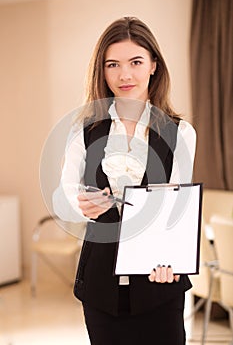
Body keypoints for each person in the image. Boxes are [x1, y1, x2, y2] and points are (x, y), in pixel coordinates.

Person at [53, 17, 196, 345]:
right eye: (113, 64)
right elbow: (64, 196)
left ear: (153, 66)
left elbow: (176, 204)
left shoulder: (181, 133)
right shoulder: (83, 130)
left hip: (161, 281)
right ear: (102, 71)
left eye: (135, 62)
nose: (125, 75)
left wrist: (170, 259)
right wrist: (81, 205)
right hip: (100, 282)